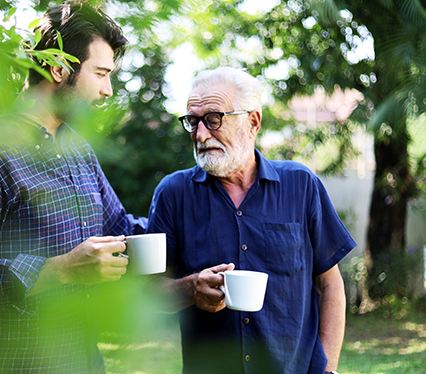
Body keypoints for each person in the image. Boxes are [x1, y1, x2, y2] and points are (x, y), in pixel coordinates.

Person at [0, 2, 146, 373]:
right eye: (100, 74)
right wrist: (60, 270)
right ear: (59, 67)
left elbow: (121, 230)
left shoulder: (78, 149)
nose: (108, 91)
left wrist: (200, 205)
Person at [146, 66, 356, 374]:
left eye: (213, 120)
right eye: (193, 122)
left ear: (253, 122)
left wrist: (328, 369)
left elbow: (329, 285)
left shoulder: (301, 185)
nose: (200, 134)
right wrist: (190, 289)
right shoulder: (173, 194)